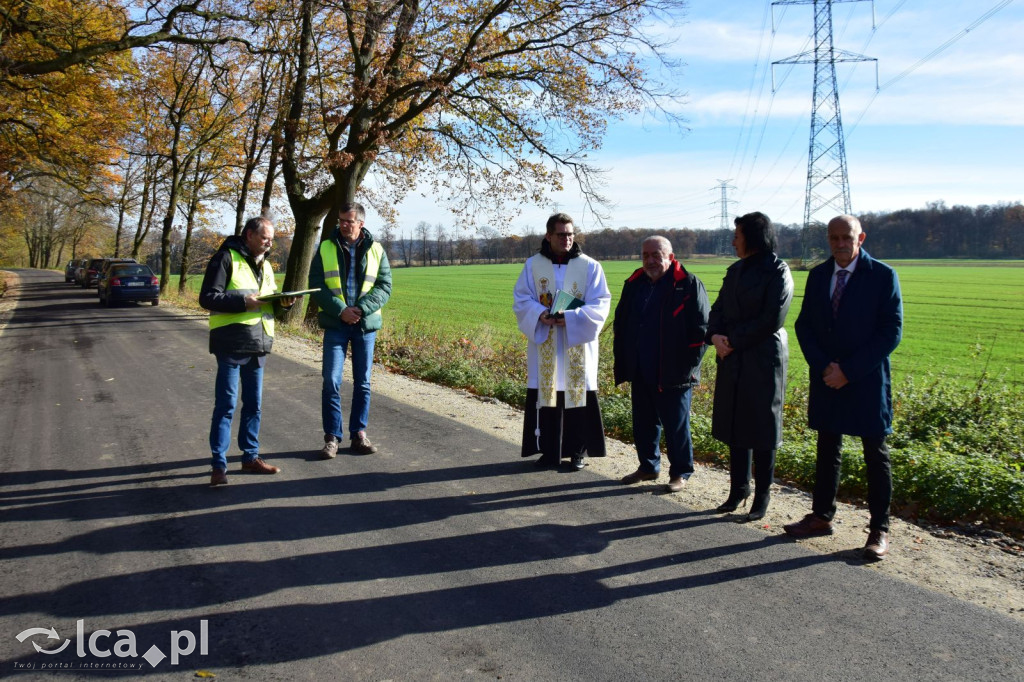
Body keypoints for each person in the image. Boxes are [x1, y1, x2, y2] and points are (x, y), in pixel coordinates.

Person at [785, 214, 903, 561]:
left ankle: (879, 529)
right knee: (827, 449)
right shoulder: (820, 275)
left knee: (875, 454)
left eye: (846, 237)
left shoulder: (882, 275)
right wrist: (825, 367)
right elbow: (805, 326)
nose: (839, 243)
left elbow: (891, 331)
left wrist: (848, 371)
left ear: (860, 238)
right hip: (826, 379)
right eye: (833, 237)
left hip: (865, 380)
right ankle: (822, 517)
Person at [707, 212, 794, 521]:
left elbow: (773, 318)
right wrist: (715, 336)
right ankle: (738, 489)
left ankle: (762, 496)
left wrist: (732, 340)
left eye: (737, 236)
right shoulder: (735, 271)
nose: (733, 241)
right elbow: (716, 310)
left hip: (763, 358)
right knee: (735, 424)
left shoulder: (778, 271)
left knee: (762, 428)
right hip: (732, 355)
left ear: (752, 238)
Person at [200, 216, 296, 487]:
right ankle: (218, 465)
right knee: (226, 406)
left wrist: (284, 304)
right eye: (265, 238)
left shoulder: (265, 264)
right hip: (230, 343)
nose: (269, 243)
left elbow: (268, 303)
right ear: (249, 235)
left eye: (271, 239)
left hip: (258, 344)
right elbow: (207, 297)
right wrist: (243, 302)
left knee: (254, 406)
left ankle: (250, 457)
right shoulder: (225, 258)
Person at [513, 213, 611, 470]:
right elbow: (522, 300)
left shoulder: (590, 266)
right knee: (548, 398)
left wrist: (571, 317)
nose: (567, 239)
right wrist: (540, 314)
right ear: (548, 236)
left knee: (576, 397)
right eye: (561, 234)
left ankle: (577, 452)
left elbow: (601, 303)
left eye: (570, 234)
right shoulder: (532, 265)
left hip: (575, 342)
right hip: (545, 340)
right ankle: (549, 452)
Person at [613, 236, 709, 492]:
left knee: (676, 426)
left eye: (656, 254)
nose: (650, 260)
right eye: (645, 255)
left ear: (670, 256)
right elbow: (622, 322)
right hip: (642, 367)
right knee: (643, 423)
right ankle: (648, 467)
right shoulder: (635, 284)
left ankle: (681, 473)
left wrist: (688, 369)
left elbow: (701, 330)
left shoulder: (687, 284)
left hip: (675, 371)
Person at [309, 202, 392, 459]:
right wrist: (341, 310)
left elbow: (384, 286)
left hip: (364, 326)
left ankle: (359, 435)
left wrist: (360, 310)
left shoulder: (377, 249)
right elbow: (316, 284)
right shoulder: (325, 247)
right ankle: (332, 437)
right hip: (336, 324)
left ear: (361, 224)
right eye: (341, 220)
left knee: (363, 383)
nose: (344, 225)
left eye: (349, 221)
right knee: (331, 381)